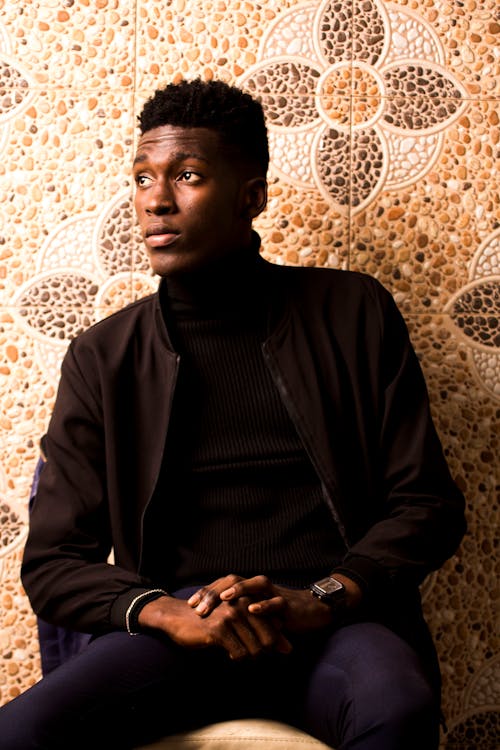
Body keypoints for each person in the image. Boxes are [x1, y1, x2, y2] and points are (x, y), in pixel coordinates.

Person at [0, 78, 466, 750]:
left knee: (397, 709)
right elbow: (54, 561)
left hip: (331, 620)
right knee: (19, 734)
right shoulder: (104, 357)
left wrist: (325, 596)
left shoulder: (353, 313)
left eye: (187, 176)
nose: (156, 201)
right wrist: (165, 613)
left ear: (252, 197)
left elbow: (427, 504)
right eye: (141, 178)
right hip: (183, 629)